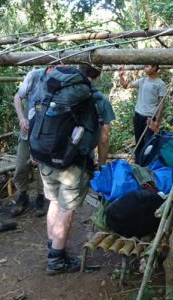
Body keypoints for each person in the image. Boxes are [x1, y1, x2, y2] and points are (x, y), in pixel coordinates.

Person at [42, 64, 115, 275]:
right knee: (67, 209)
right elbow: (103, 137)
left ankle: (53, 247)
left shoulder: (52, 89)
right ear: (97, 75)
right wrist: (101, 165)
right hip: (72, 162)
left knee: (54, 202)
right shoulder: (98, 99)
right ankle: (56, 260)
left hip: (46, 156)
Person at [11, 67, 52, 217]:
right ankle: (23, 195)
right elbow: (18, 97)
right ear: (49, 66)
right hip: (27, 133)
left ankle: (41, 197)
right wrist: (22, 118)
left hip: (45, 135)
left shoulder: (61, 78)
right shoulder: (34, 76)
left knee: (43, 168)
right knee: (21, 166)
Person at [118, 65, 167, 160]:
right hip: (138, 115)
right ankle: (138, 163)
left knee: (149, 143)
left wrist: (157, 120)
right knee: (138, 142)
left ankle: (147, 164)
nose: (145, 68)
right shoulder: (142, 80)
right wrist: (121, 76)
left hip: (150, 118)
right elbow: (126, 86)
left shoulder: (160, 84)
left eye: (148, 66)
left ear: (154, 68)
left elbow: (161, 103)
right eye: (145, 66)